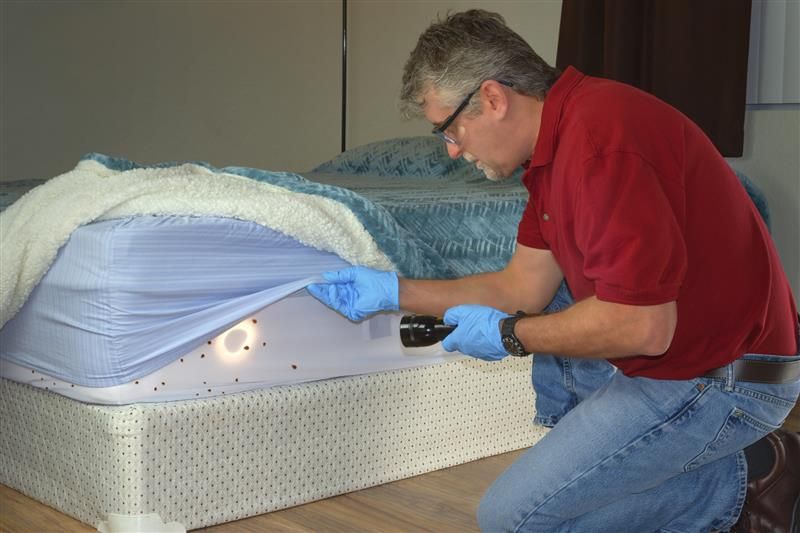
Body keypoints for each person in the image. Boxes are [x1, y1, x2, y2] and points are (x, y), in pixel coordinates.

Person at [307, 9, 800, 532]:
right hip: (679, 366)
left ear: (493, 98)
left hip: (724, 379)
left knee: (514, 520)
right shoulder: (556, 150)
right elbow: (520, 286)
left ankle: (753, 479)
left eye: (449, 129)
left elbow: (642, 327)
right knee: (558, 511)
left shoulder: (599, 144)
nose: (452, 151)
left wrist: (510, 335)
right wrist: (393, 291)